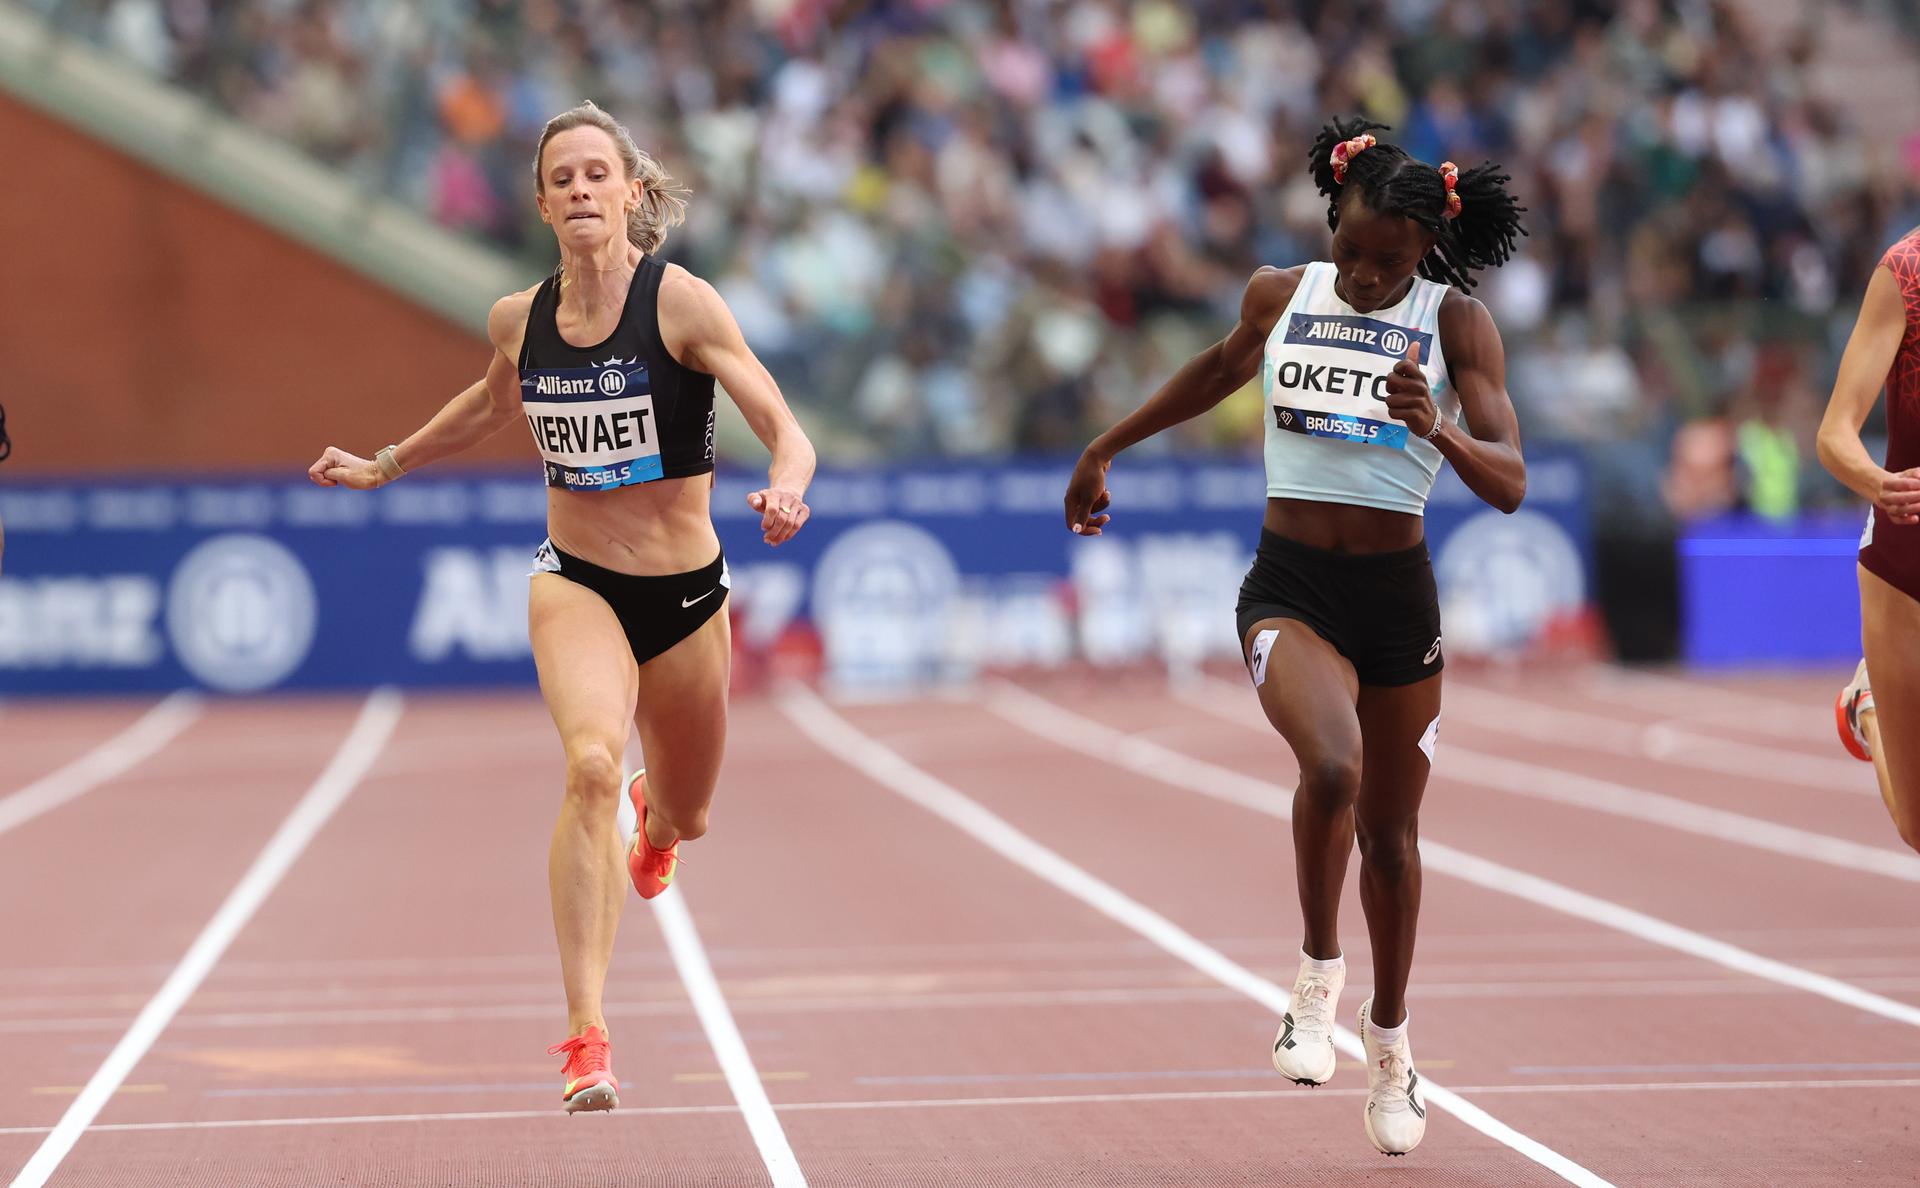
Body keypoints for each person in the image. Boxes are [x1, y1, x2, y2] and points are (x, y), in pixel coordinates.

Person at [308, 101, 816, 1113]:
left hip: (684, 594)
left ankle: (655, 821)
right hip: (576, 581)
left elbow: (782, 426)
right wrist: (388, 463)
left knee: (691, 813)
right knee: (588, 763)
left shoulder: (684, 307)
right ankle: (587, 1034)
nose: (582, 192)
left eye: (598, 175)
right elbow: (490, 402)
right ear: (542, 204)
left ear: (631, 192)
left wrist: (790, 487)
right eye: (563, 179)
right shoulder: (520, 319)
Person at [1063, 116, 1526, 1157]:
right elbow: (1216, 371)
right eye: (1351, 252)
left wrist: (1439, 427)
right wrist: (1104, 449)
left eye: (1388, 264)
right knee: (1331, 765)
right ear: (1334, 225)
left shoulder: (1458, 328)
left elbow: (1511, 482)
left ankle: (1392, 1040)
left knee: (1395, 845)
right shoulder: (1284, 293)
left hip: (1398, 600)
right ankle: (1316, 975)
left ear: (1426, 253)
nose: (1364, 277)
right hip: (1292, 587)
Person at [1818, 226, 1920, 849]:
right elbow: (1835, 433)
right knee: (1918, 825)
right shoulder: (1905, 272)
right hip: (1906, 557)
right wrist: (1880, 484)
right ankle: (1867, 706)